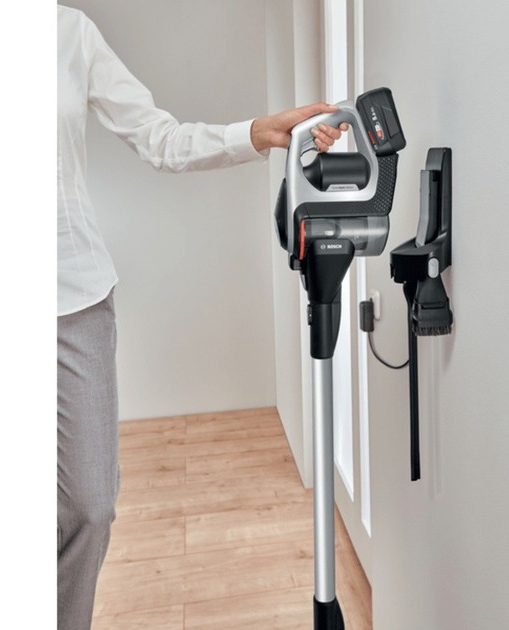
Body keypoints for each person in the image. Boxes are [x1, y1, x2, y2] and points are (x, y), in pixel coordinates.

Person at [56, 6, 348, 629]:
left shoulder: (66, 32)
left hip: (71, 300)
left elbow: (159, 139)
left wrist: (260, 131)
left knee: (89, 507)